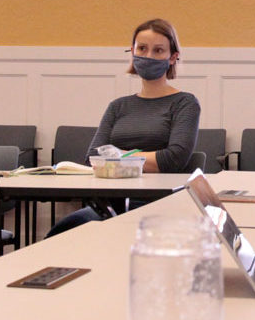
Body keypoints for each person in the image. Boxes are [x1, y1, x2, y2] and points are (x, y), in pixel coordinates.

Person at [47, 18, 200, 237]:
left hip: (159, 205)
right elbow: (92, 157)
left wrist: (118, 156)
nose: (148, 56)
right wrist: (138, 160)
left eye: (158, 50)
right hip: (109, 205)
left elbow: (174, 158)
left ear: (173, 57)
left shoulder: (185, 103)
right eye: (142, 49)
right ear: (132, 52)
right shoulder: (118, 106)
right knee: (59, 235)